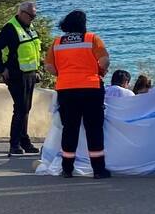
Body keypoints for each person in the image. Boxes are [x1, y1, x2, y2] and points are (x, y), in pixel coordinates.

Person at [44, 9, 111, 178]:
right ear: (83, 24)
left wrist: (64, 74)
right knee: (93, 129)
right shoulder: (92, 39)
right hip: (91, 88)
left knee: (70, 128)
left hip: (66, 89)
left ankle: (67, 168)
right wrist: (100, 71)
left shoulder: (57, 42)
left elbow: (49, 67)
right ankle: (98, 170)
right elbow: (104, 61)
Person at [0, 0, 42, 156]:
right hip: (16, 74)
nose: (33, 19)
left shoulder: (29, 27)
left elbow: (34, 51)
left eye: (34, 16)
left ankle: (24, 141)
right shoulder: (10, 28)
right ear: (21, 13)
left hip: (30, 74)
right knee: (20, 109)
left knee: (26, 108)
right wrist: (2, 69)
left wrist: (37, 70)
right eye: (31, 16)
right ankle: (14, 145)